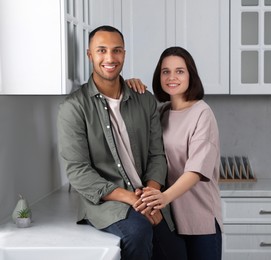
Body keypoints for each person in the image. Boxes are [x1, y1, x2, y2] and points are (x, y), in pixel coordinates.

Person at [57, 26, 186, 260]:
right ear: (90, 55)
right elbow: (78, 171)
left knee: (176, 251)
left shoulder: (145, 100)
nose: (110, 58)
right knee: (138, 232)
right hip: (108, 202)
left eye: (116, 50)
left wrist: (150, 195)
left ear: (124, 54)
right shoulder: (73, 108)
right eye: (102, 50)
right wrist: (132, 199)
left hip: (148, 195)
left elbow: (157, 155)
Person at [128, 46, 223, 260]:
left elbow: (196, 171)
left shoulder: (202, 113)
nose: (172, 77)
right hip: (170, 219)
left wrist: (163, 197)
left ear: (191, 75)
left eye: (179, 71)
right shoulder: (161, 112)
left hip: (199, 219)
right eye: (165, 71)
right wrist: (128, 87)